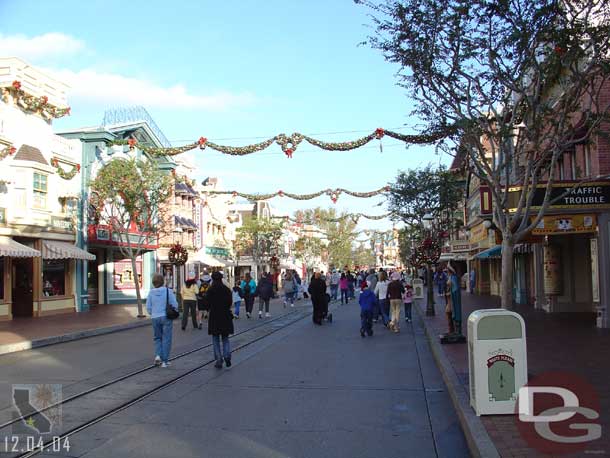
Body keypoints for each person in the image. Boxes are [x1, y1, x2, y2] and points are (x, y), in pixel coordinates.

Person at [146, 273, 179, 368]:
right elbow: (175, 304)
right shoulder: (168, 291)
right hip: (166, 317)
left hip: (155, 317)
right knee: (166, 338)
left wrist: (153, 313)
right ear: (162, 281)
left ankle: (157, 356)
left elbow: (148, 307)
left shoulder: (151, 292)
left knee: (157, 337)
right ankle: (165, 360)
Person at [207, 271, 234, 368]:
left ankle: (219, 359)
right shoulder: (226, 290)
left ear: (213, 279)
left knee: (215, 339)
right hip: (225, 315)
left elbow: (207, 304)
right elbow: (230, 303)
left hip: (214, 316)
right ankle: (227, 356)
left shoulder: (210, 290)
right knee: (225, 338)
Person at [448, 265, 463, 335]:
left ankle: (458, 330)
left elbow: (455, 288)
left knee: (456, 311)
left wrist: (452, 293)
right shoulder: (451, 277)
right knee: (452, 311)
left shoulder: (453, 277)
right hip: (452, 296)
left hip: (454, 297)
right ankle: (454, 329)